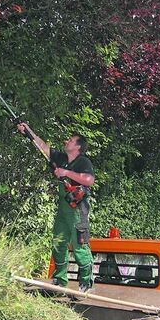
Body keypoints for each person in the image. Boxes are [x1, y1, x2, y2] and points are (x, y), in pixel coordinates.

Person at [16, 122, 95, 293]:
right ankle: (60, 279)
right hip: (63, 210)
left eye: (71, 140)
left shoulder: (83, 162)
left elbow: (89, 180)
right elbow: (42, 146)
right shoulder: (60, 158)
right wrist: (28, 131)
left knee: (79, 246)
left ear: (78, 147)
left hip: (78, 211)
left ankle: (86, 283)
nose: (67, 141)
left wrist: (66, 173)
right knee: (58, 243)